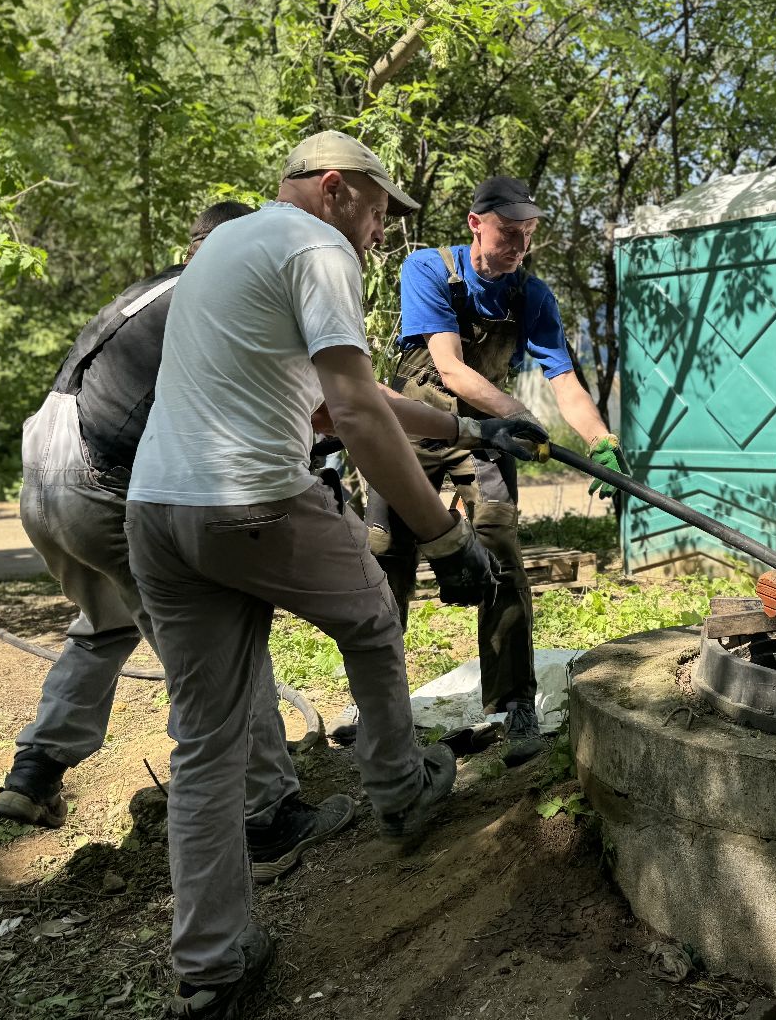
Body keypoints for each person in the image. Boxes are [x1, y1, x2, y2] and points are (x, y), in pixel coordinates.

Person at [124, 131, 547, 1019]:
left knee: (205, 742)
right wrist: (441, 537)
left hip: (158, 511)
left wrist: (469, 434)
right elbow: (352, 414)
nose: (384, 232)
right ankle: (401, 788)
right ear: (335, 188)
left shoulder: (227, 249)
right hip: (250, 500)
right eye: (380, 209)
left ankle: (212, 964)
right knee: (369, 616)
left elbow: (323, 397)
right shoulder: (317, 247)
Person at [0, 201, 353, 885]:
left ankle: (35, 769)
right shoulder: (219, 299)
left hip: (46, 464)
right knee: (220, 628)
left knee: (111, 611)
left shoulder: (150, 288)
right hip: (101, 476)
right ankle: (269, 815)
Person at [359, 176, 628, 765]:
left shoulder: (531, 296)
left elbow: (566, 382)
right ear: (476, 223)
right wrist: (518, 414)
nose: (519, 249)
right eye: (509, 234)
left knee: (500, 548)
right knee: (386, 557)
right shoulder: (428, 269)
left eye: (528, 237)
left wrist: (601, 439)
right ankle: (379, 710)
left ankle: (514, 705)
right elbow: (450, 369)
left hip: (487, 437)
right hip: (410, 426)